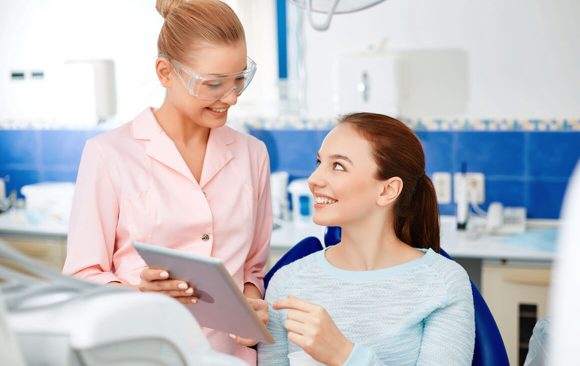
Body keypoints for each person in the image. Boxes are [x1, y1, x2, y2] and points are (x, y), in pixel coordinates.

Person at [63, 0, 271, 363]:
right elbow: (82, 274)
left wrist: (251, 305)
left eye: (239, 78)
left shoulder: (253, 155)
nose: (232, 97)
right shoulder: (109, 154)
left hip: (229, 356)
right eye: (213, 84)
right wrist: (136, 294)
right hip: (140, 351)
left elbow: (253, 268)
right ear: (165, 72)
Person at [259, 113, 475, 365]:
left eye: (338, 166)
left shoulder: (444, 283)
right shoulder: (287, 282)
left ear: (387, 190)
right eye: (318, 162)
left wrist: (345, 355)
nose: (313, 180)